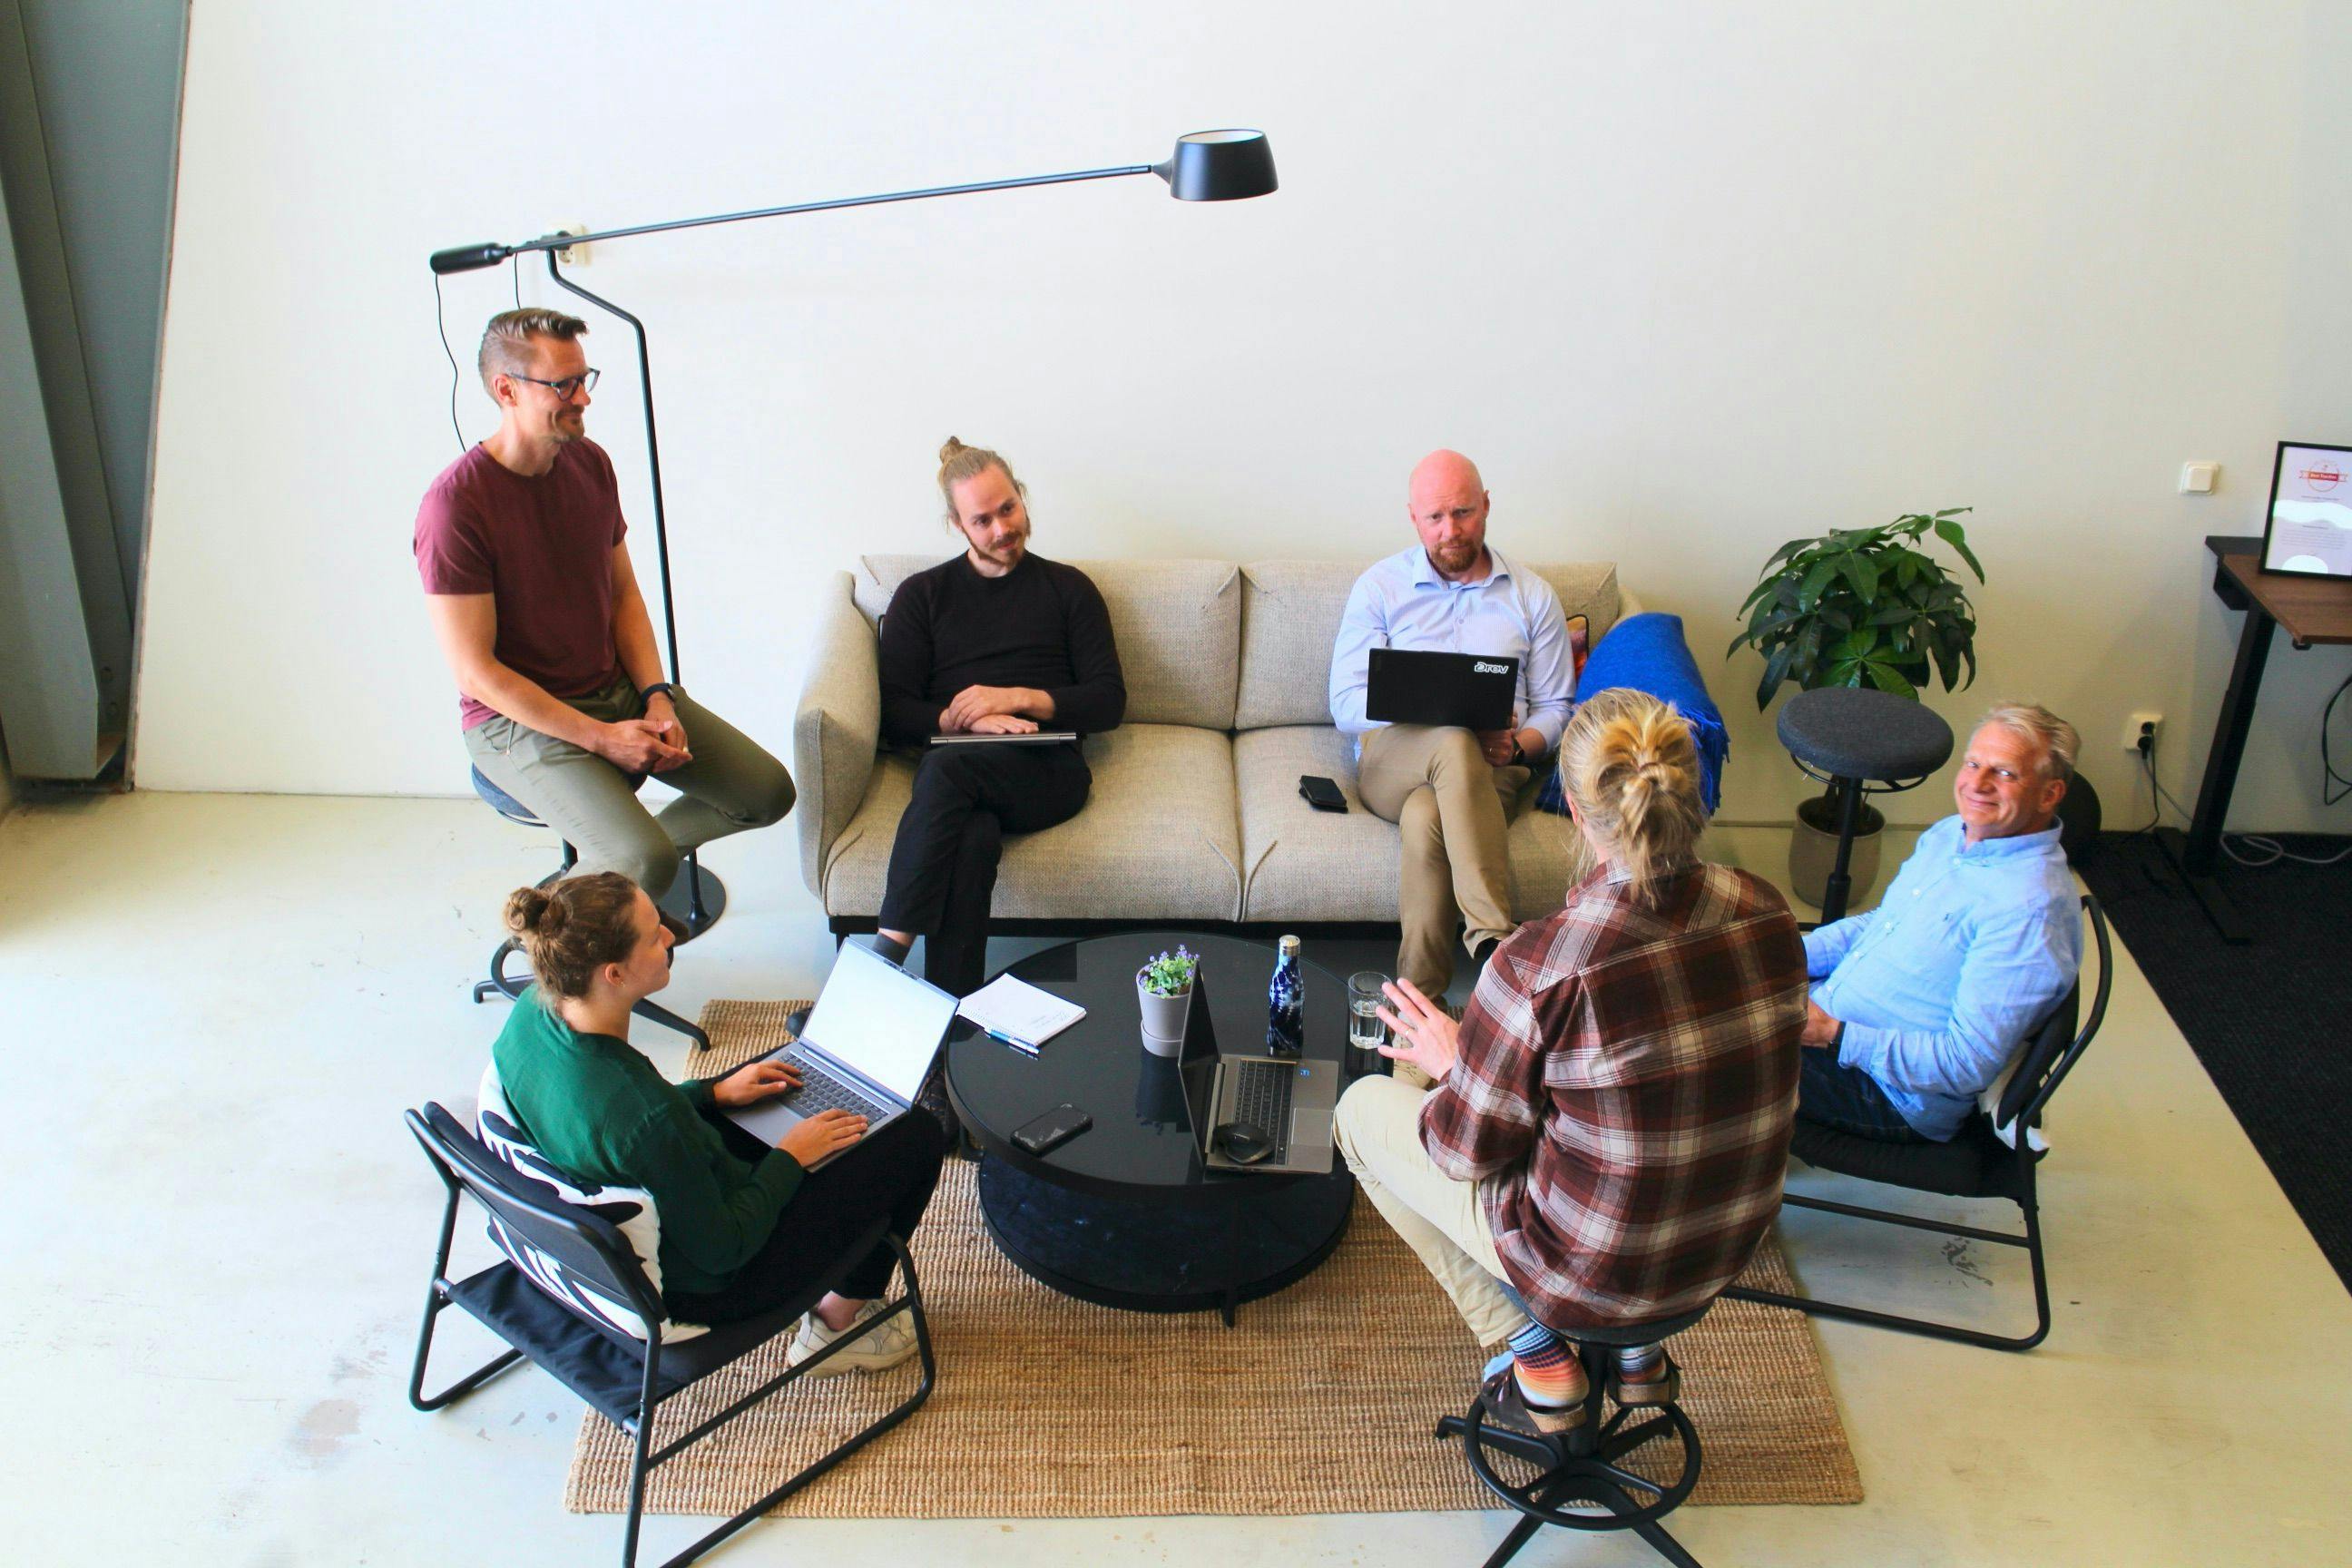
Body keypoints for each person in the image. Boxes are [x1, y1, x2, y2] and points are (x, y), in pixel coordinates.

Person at [1335, 690, 1806, 1436]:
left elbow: (1462, 1153)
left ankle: (1536, 1353)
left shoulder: (1541, 965)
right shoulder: (1769, 908)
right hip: (1720, 1250)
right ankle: (1638, 1356)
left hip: (1591, 1276)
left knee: (1361, 1114)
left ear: (1579, 817)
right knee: (1620, 1123)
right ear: (1693, 794)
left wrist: (1459, 1062)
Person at [416, 308, 793, 906]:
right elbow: (475, 672)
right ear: (506, 390)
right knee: (644, 859)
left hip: (612, 687)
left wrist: (656, 695)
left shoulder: (590, 464)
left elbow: (622, 595)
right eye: (562, 384)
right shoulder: (455, 506)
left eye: (585, 377)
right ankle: (567, 927)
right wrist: (600, 738)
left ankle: (589, 889)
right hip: (513, 723)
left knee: (767, 792)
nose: (583, 397)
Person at [491, 871, 946, 1363]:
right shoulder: (646, 1117)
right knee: (917, 1134)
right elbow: (725, 1249)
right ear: (613, 974)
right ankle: (836, 1328)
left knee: (782, 1085)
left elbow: (622, 1130)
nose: (670, 934)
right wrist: (790, 1156)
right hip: (709, 1285)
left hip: (629, 1196)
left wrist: (712, 1093)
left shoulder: (533, 1015)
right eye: (652, 934)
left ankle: (773, 1120)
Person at [868, 437, 1125, 997]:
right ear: (957, 524)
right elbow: (894, 712)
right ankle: (949, 1022)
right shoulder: (923, 597)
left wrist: (1015, 698)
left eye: (1007, 509)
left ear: (1022, 498)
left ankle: (878, 969)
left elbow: (1109, 701)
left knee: (945, 773)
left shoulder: (1069, 590)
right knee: (974, 837)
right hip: (963, 767)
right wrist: (965, 722)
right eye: (981, 520)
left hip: (1047, 769)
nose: (1001, 529)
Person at [1329, 450, 1577, 999]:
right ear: (1413, 518)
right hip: (1394, 761)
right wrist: (1430, 710)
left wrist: (1516, 748)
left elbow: (1558, 707)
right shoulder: (1380, 587)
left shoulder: (1532, 596)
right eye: (1435, 518)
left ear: (1486, 506)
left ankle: (1420, 1002)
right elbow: (1345, 703)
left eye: (1462, 513)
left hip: (1494, 771)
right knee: (1452, 739)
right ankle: (1494, 943)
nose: (1450, 531)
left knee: (1425, 817)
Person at [1798, 702, 2083, 1144]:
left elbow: (1965, 1064)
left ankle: (1718, 1191)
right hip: (1831, 1012)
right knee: (1698, 981)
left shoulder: (2029, 911)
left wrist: (1833, 1035)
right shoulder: (1954, 833)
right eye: (1973, 763)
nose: (1978, 784)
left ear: (2049, 795)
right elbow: (1883, 923)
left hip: (1889, 1093)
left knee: (1679, 1049)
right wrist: (1786, 954)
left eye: (2005, 773)